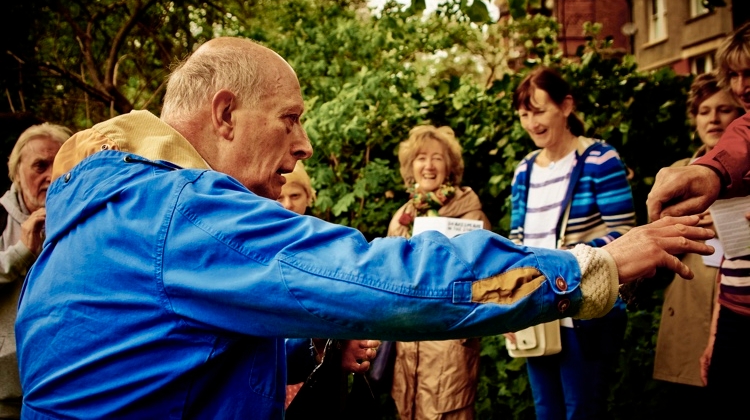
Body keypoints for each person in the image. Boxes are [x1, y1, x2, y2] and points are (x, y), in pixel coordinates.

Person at [15, 37, 714, 420]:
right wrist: (591, 267)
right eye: (290, 118)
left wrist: (302, 349)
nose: (306, 146)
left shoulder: (105, 208)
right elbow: (387, 277)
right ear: (224, 115)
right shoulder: (180, 211)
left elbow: (161, 361)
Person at [505, 67, 634, 419]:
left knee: (582, 410)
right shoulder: (524, 170)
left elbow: (624, 232)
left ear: (566, 106)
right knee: (546, 410)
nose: (532, 123)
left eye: (540, 110)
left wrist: (563, 262)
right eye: (524, 114)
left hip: (585, 308)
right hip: (536, 306)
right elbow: (517, 242)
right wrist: (510, 307)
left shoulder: (599, 159)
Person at [648, 22, 750, 417]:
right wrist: (715, 335)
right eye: (735, 75)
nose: (742, 87)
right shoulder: (723, 149)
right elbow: (733, 262)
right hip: (732, 317)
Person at [386, 125, 490, 419]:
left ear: (450, 168)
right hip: (408, 342)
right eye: (420, 158)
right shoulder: (403, 217)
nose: (428, 166)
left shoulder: (471, 216)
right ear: (410, 166)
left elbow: (483, 282)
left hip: (450, 341)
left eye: (437, 158)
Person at [278, 161, 380, 411]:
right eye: (280, 197)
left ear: (309, 197)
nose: (288, 204)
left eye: (295, 195)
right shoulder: (252, 245)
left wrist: (335, 346)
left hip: (311, 377)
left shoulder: (323, 244)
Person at [0, 123, 70, 419]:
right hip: (7, 392)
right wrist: (21, 254)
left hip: (66, 384)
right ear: (16, 173)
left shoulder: (86, 218)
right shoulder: (0, 218)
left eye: (61, 164)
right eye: (40, 166)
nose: (51, 175)